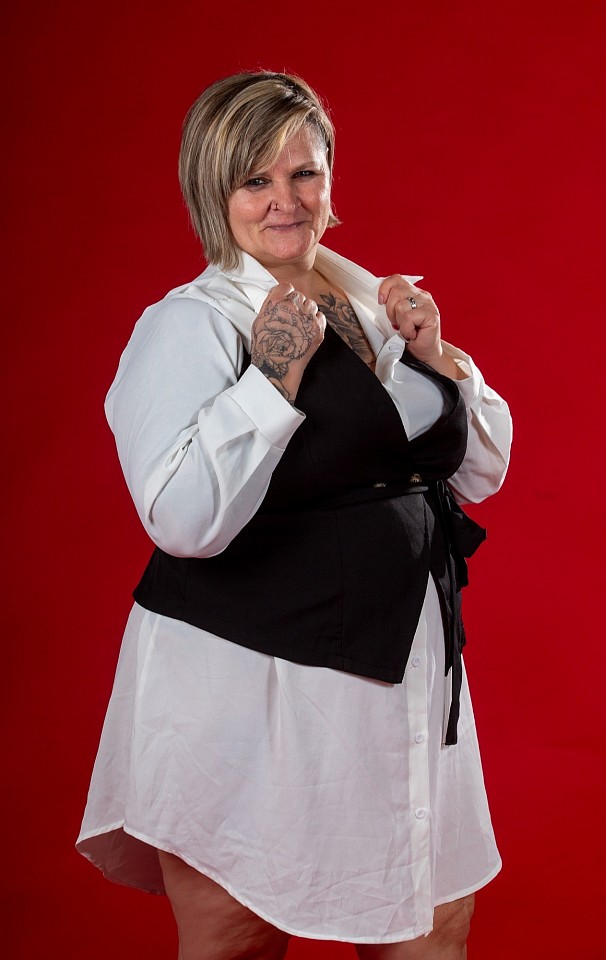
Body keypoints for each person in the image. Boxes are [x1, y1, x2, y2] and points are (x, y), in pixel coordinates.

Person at [76, 71, 512, 960]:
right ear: (213, 191)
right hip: (250, 680)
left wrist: (435, 356)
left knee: (434, 927)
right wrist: (273, 377)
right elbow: (182, 522)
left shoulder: (374, 303)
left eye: (304, 173)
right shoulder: (188, 325)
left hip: (403, 667)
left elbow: (481, 471)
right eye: (256, 180)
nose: (287, 201)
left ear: (330, 178)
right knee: (238, 935)